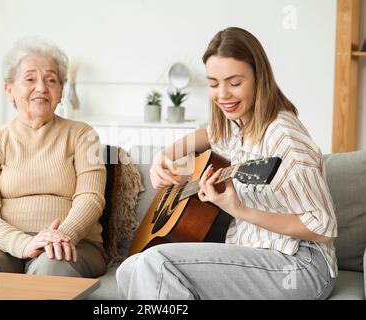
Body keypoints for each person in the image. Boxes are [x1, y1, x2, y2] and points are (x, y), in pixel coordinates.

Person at [116, 27, 338, 299]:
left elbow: (322, 227)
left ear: (259, 78)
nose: (222, 95)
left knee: (156, 262)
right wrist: (164, 155)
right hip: (253, 253)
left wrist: (239, 209)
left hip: (299, 265)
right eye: (213, 84)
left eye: (234, 83)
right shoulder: (239, 125)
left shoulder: (285, 137)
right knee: (128, 269)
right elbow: (209, 135)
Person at [0, 37, 108, 278]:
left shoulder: (83, 135)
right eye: (30, 79)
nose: (41, 87)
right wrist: (22, 244)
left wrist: (62, 236)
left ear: (60, 91)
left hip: (73, 242)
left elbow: (90, 198)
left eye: (51, 80)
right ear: (9, 90)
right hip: (3, 246)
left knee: (53, 265)